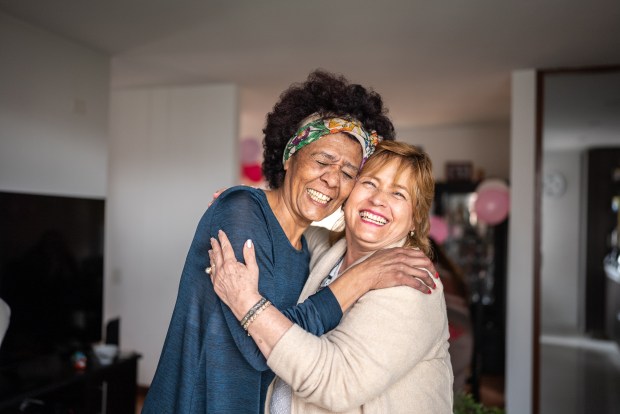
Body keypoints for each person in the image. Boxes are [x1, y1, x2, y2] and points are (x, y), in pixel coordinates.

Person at [142, 71, 437, 414]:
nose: (331, 180)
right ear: (289, 156)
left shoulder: (311, 249)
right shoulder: (241, 214)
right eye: (323, 161)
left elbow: (282, 337)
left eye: (348, 173)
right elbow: (258, 348)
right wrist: (360, 278)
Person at [209, 141, 453, 413]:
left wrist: (245, 302)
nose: (378, 200)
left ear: (415, 220)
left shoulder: (411, 286)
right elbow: (286, 220)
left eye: (398, 194)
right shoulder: (330, 250)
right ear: (349, 193)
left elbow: (335, 383)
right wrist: (251, 204)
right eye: (370, 183)